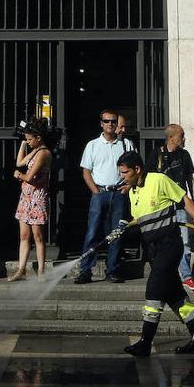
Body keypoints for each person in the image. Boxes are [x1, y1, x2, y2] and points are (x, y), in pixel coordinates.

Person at [117, 150, 194, 357]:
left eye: (125, 172)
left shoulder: (158, 180)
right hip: (153, 250)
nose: (122, 176)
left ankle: (145, 342)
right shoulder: (132, 192)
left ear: (137, 169)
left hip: (169, 245)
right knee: (175, 295)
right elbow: (140, 219)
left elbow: (183, 198)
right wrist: (125, 226)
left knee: (154, 289)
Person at [75, 108, 132, 284]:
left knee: (116, 233)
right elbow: (86, 171)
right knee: (92, 232)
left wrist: (128, 186)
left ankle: (112, 270)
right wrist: (94, 190)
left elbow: (135, 169)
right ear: (101, 124)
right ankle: (85, 270)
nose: (110, 124)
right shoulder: (92, 145)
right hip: (99, 192)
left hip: (119, 192)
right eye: (106, 121)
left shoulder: (126, 144)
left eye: (113, 121)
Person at [156, 123, 194, 291]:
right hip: (162, 205)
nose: (184, 138)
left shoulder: (184, 155)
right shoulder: (158, 154)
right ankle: (166, 274)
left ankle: (187, 276)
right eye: (181, 135)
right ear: (171, 137)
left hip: (181, 204)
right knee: (163, 242)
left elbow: (190, 179)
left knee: (185, 241)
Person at [10, 118, 51, 281]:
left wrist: (19, 175)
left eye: (29, 139)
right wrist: (23, 143)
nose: (28, 141)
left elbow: (28, 175)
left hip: (37, 198)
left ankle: (41, 270)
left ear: (38, 138)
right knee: (24, 235)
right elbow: (20, 162)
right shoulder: (34, 150)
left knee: (38, 235)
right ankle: (21, 269)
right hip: (27, 197)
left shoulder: (43, 153)